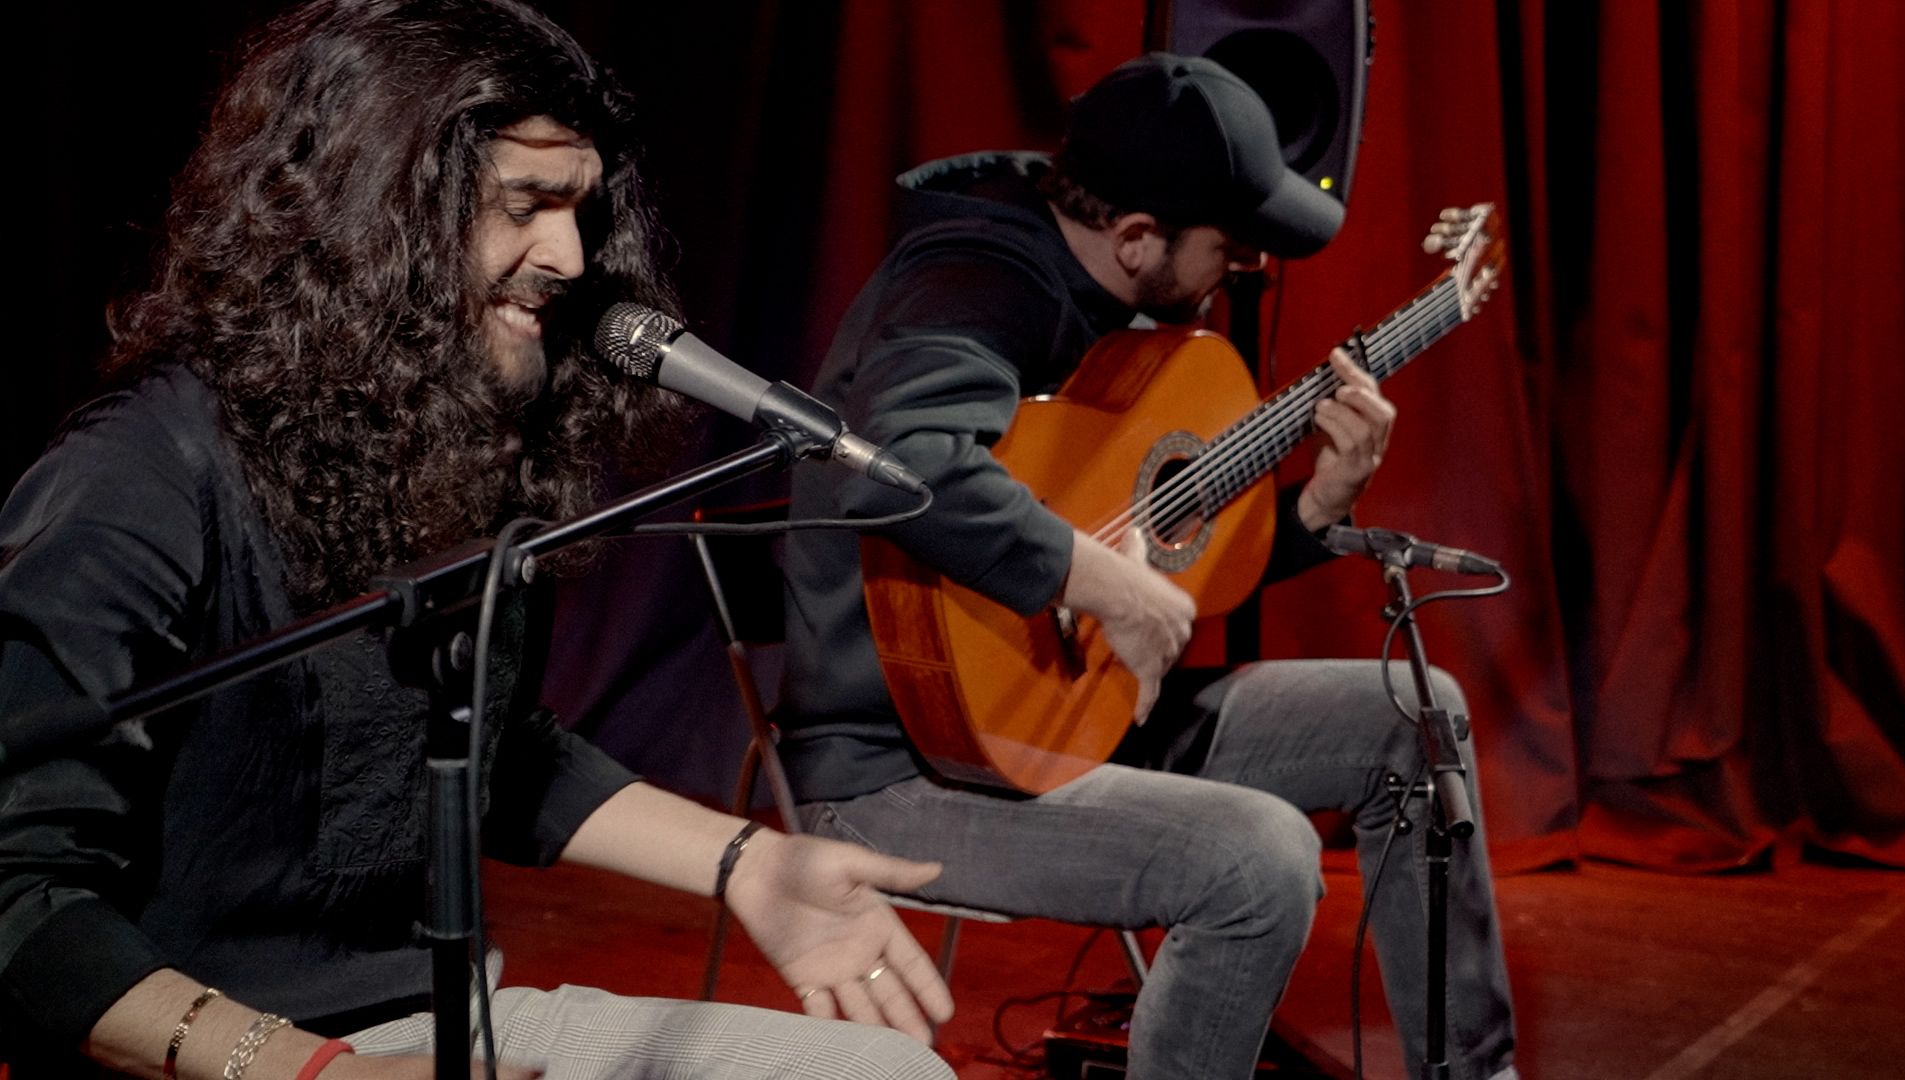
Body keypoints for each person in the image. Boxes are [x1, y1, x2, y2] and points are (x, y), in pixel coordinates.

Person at [0, 3, 957, 1078]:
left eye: (582, 209)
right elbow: (21, 893)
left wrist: (749, 863)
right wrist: (315, 1072)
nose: (570, 256)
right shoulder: (141, 471)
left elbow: (484, 751)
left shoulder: (462, 444)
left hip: (444, 1024)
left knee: (888, 1073)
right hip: (216, 1052)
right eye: (525, 205)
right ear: (373, 209)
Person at [778, 54, 1519, 1080]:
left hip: (1064, 724)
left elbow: (1159, 543)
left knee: (1415, 714)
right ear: (1135, 237)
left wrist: (1316, 507)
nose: (1243, 270)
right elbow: (899, 465)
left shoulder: (1115, 306)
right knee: (1256, 857)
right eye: (1229, 247)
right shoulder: (976, 279)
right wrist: (1101, 582)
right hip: (902, 767)